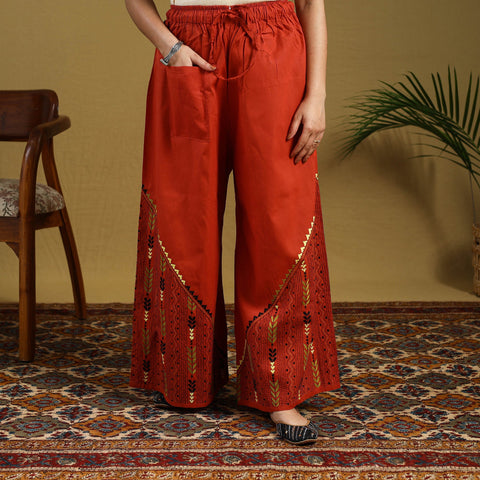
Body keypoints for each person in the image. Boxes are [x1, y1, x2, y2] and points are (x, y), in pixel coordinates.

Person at [126, 0, 340, 445]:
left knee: (279, 217)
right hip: (188, 46)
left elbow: (309, 2)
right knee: (182, 216)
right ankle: (186, 374)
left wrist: (316, 95)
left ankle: (280, 387)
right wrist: (170, 47)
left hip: (274, 42)